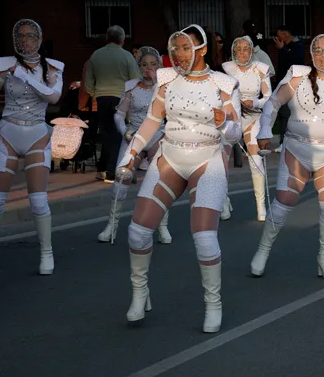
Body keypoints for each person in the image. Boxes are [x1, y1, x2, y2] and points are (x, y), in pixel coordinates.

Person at [117, 25, 242, 333]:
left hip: (207, 158)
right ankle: (139, 293)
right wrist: (130, 154)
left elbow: (236, 132)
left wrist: (225, 122)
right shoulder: (167, 80)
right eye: (174, 49)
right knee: (136, 233)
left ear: (201, 50)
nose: (178, 55)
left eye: (185, 48)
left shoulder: (223, 83)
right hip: (170, 156)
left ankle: (213, 304)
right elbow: (151, 122)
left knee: (204, 237)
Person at [250, 34, 324, 279]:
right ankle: (263, 251)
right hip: (297, 149)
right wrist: (264, 132)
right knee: (283, 202)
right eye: (318, 51)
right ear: (312, 54)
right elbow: (273, 103)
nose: (323, 55)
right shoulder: (298, 76)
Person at [0, 19, 65, 275]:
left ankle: (46, 253)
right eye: (20, 36)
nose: (24, 40)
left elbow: (54, 97)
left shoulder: (52, 68)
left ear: (39, 40)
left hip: (37, 134)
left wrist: (25, 76)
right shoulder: (4, 66)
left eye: (30, 36)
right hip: (8, 132)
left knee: (38, 202)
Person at [97, 47, 171, 245]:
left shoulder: (165, 87)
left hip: (157, 135)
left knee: (161, 180)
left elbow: (172, 114)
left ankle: (162, 227)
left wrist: (166, 133)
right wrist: (125, 132)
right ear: (139, 67)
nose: (149, 69)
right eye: (145, 64)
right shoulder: (132, 87)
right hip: (135, 134)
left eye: (153, 64)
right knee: (122, 177)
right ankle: (111, 226)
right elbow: (119, 114)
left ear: (159, 66)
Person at [222, 37, 273, 221]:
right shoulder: (227, 69)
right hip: (231, 119)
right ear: (234, 51)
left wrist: (256, 102)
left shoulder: (261, 68)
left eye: (246, 49)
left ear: (251, 51)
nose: (242, 52)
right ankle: (223, 202)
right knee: (221, 161)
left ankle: (260, 206)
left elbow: (269, 96)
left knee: (256, 161)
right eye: (239, 49)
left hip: (253, 117)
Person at [85, 25, 141, 182]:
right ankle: (112, 172)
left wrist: (95, 93)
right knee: (118, 135)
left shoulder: (96, 55)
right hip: (121, 98)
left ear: (107, 38)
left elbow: (88, 80)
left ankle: (102, 168)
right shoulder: (127, 56)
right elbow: (135, 80)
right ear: (122, 40)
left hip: (102, 98)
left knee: (107, 134)